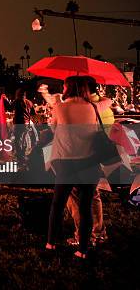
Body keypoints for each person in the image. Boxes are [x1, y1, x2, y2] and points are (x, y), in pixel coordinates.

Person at [45, 76, 111, 259]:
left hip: (66, 162)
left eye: (65, 85)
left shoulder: (60, 107)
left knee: (57, 205)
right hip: (89, 164)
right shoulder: (93, 107)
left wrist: (57, 103)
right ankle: (83, 249)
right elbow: (108, 101)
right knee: (85, 207)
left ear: (69, 88)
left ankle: (51, 243)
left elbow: (53, 129)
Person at [66, 76, 112, 246]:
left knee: (74, 196)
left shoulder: (84, 108)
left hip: (80, 157)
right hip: (97, 156)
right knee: (93, 195)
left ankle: (82, 234)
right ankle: (98, 231)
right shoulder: (103, 106)